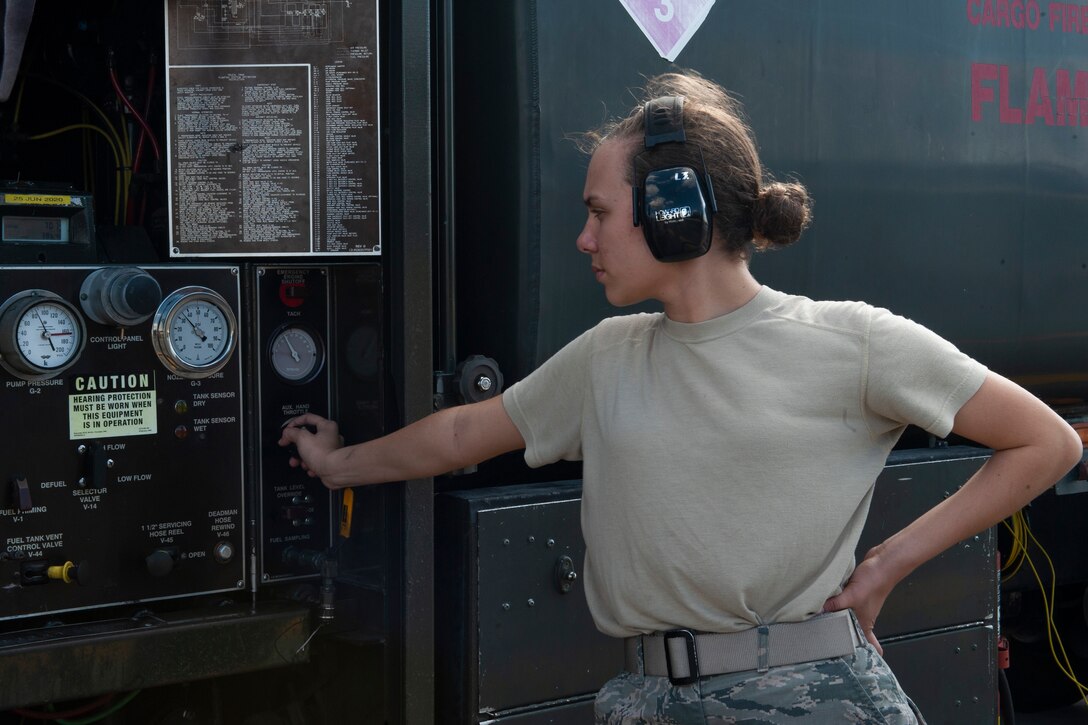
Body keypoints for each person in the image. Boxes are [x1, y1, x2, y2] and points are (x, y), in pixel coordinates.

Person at [279, 70, 1082, 723]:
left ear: (675, 213)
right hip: (647, 699)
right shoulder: (607, 357)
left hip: (809, 701)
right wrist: (339, 463)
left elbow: (1048, 441)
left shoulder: (852, 341)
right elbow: (460, 437)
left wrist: (887, 562)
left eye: (600, 213)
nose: (585, 240)